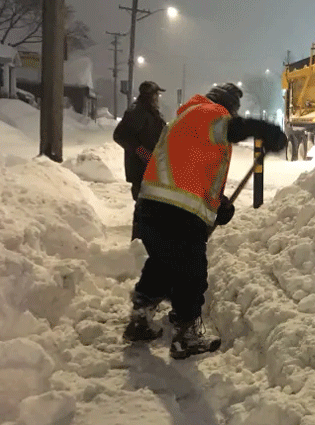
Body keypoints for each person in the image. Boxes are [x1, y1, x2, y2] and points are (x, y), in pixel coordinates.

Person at [122, 82, 287, 359]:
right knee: (191, 272)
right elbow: (234, 129)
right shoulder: (208, 113)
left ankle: (140, 319)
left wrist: (217, 205)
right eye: (233, 112)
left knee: (162, 263)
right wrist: (266, 130)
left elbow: (190, 169)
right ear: (227, 107)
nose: (231, 117)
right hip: (176, 211)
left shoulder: (185, 120)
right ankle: (186, 335)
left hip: (154, 207)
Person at [113, 81, 168, 240]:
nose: (158, 98)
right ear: (150, 95)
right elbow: (120, 135)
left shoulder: (151, 112)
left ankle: (145, 241)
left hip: (150, 168)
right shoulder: (137, 111)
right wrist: (140, 150)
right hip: (139, 169)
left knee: (150, 207)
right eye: (156, 94)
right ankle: (138, 242)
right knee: (143, 208)